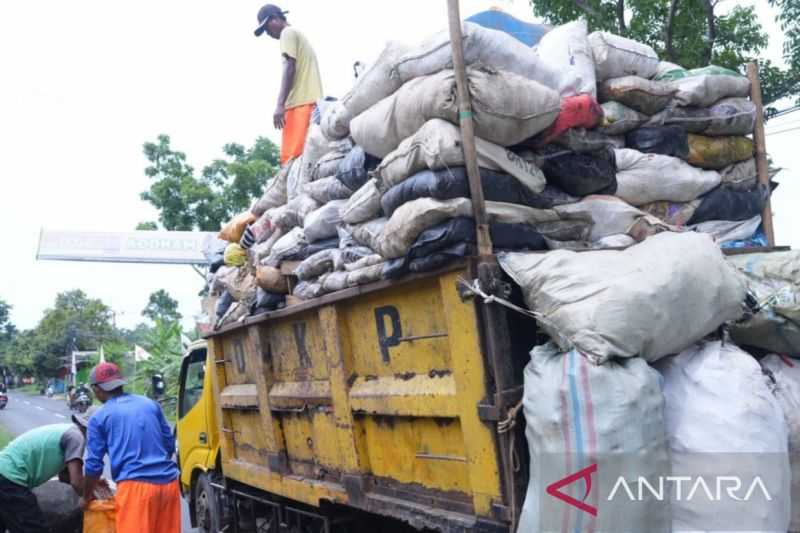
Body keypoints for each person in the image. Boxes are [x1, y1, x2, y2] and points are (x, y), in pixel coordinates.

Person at [83, 362, 180, 533]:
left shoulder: (99, 417)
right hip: (169, 485)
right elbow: (169, 444)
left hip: (135, 491)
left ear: (96, 389)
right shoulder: (150, 404)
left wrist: (87, 495)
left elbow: (94, 465)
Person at [254, 4, 323, 165]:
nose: (268, 33)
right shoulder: (297, 35)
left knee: (292, 163)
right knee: (302, 163)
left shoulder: (288, 33)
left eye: (267, 27)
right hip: (309, 103)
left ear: (276, 18)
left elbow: (289, 66)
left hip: (300, 105)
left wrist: (280, 105)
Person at [0, 413, 90, 532]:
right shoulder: (76, 437)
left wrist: (92, 482)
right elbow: (75, 482)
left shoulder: (67, 431)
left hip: (5, 474)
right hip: (10, 478)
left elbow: (65, 477)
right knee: (34, 528)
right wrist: (90, 498)